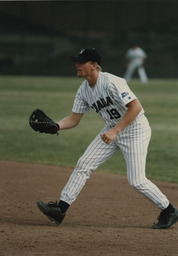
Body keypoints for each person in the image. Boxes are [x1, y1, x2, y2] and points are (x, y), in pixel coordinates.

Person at [36, 48, 178, 229]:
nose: (77, 64)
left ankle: (170, 210)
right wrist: (56, 126)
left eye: (81, 61)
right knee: (84, 164)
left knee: (137, 181)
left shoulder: (111, 82)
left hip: (135, 130)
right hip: (111, 129)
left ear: (94, 65)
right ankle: (60, 210)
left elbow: (135, 107)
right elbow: (74, 118)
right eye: (76, 61)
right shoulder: (83, 90)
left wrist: (116, 131)